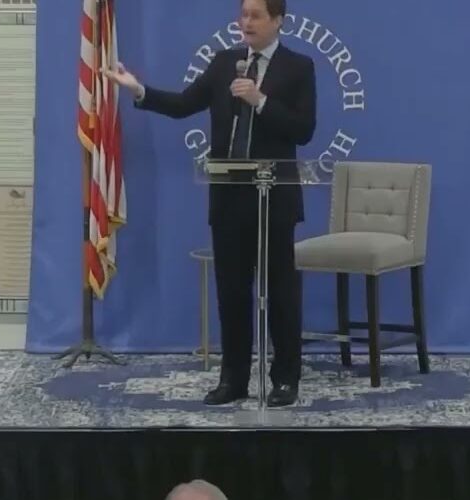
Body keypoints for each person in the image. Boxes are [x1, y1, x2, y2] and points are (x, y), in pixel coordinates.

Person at [104, 0, 316, 407]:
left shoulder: (298, 67)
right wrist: (139, 90)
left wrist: (260, 100)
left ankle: (285, 379)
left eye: (255, 16)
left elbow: (304, 129)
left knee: (281, 292)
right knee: (231, 293)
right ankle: (233, 379)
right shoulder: (224, 63)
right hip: (228, 197)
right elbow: (184, 105)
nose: (246, 22)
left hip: (273, 198)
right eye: (243, 15)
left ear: (278, 21)